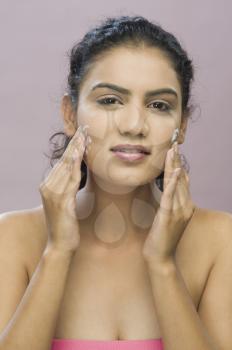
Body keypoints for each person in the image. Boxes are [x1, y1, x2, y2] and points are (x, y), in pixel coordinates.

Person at [0, 15, 232, 350]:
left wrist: (163, 265)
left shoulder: (220, 241)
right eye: (110, 100)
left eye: (158, 105)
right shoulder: (13, 238)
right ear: (70, 114)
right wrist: (58, 250)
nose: (134, 124)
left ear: (181, 125)